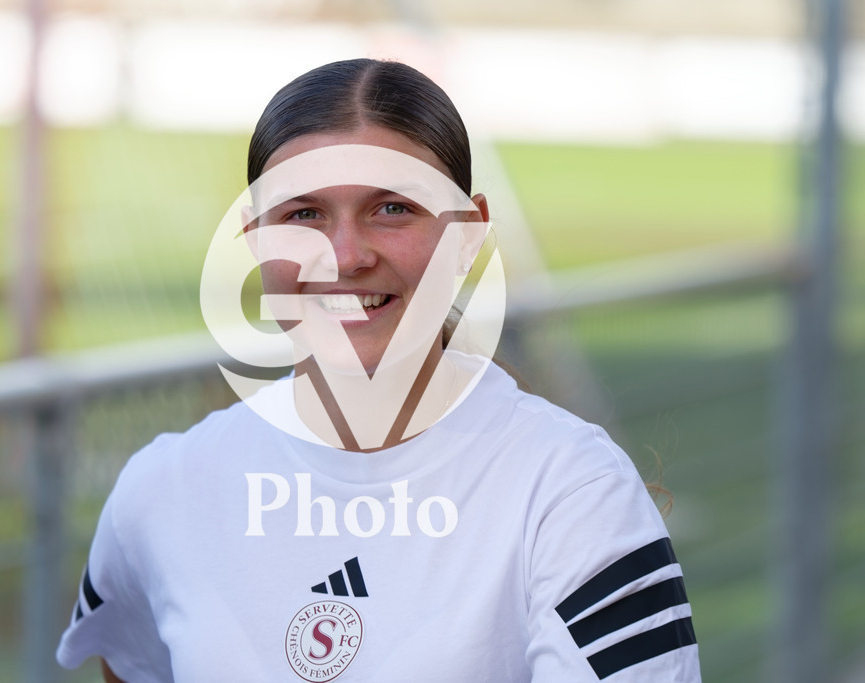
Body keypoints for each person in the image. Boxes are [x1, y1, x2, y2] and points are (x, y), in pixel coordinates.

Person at [56, 58, 702, 682]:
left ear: (469, 236)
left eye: (391, 207)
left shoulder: (571, 494)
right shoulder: (163, 489)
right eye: (302, 213)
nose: (344, 255)